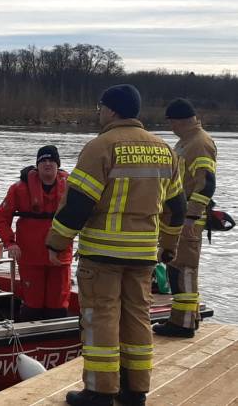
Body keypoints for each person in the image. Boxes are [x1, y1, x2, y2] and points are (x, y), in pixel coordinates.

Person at [45, 84, 186, 406]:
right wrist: (169, 245)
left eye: (100, 108)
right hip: (143, 255)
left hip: (102, 254)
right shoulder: (165, 150)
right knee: (137, 319)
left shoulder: (101, 147)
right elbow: (177, 207)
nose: (99, 113)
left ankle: (100, 390)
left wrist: (56, 243)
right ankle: (135, 390)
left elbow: (78, 204)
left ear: (110, 110)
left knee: (101, 319)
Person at [153, 98, 217, 338]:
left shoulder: (199, 143)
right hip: (179, 219)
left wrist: (191, 216)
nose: (171, 127)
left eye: (171, 122)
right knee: (176, 270)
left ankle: (183, 324)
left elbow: (206, 184)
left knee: (184, 272)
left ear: (179, 120)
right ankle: (189, 318)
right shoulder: (186, 142)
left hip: (189, 221)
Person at [0, 145, 72, 321]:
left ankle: (57, 341)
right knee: (33, 306)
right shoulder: (19, 189)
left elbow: (84, 215)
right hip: (30, 256)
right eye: (43, 160)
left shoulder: (70, 187)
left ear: (57, 165)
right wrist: (10, 242)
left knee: (58, 306)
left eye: (51, 160)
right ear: (37, 165)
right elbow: (1, 218)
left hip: (60, 255)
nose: (47, 164)